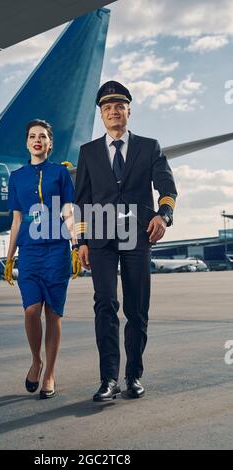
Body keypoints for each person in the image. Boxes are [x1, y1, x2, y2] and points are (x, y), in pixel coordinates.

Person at [75, 81, 178, 402]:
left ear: (128, 112)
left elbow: (167, 187)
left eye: (119, 107)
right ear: (101, 115)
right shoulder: (88, 152)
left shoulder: (149, 147)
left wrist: (163, 216)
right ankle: (108, 379)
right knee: (105, 305)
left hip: (138, 235)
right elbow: (81, 201)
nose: (113, 112)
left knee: (136, 308)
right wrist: (80, 242)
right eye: (107, 108)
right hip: (101, 238)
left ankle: (133, 376)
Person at [4, 119, 79, 399]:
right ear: (27, 143)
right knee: (31, 310)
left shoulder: (60, 174)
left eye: (43, 137)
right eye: (33, 136)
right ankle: (36, 360)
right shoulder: (17, 177)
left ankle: (49, 374)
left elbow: (68, 211)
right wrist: (10, 257)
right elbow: (16, 219)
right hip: (31, 253)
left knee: (53, 315)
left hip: (57, 250)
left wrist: (75, 245)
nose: (38, 140)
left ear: (50, 144)